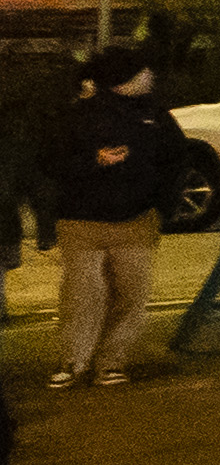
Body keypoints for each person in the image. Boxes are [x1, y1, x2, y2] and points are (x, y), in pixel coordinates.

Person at [44, 39, 182, 390]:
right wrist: (96, 160)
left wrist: (162, 206)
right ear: (124, 77)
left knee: (131, 295)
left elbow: (176, 160)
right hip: (81, 221)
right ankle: (75, 361)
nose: (150, 75)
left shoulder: (156, 115)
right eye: (142, 70)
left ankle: (111, 362)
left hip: (136, 220)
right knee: (82, 295)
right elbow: (52, 163)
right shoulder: (80, 114)